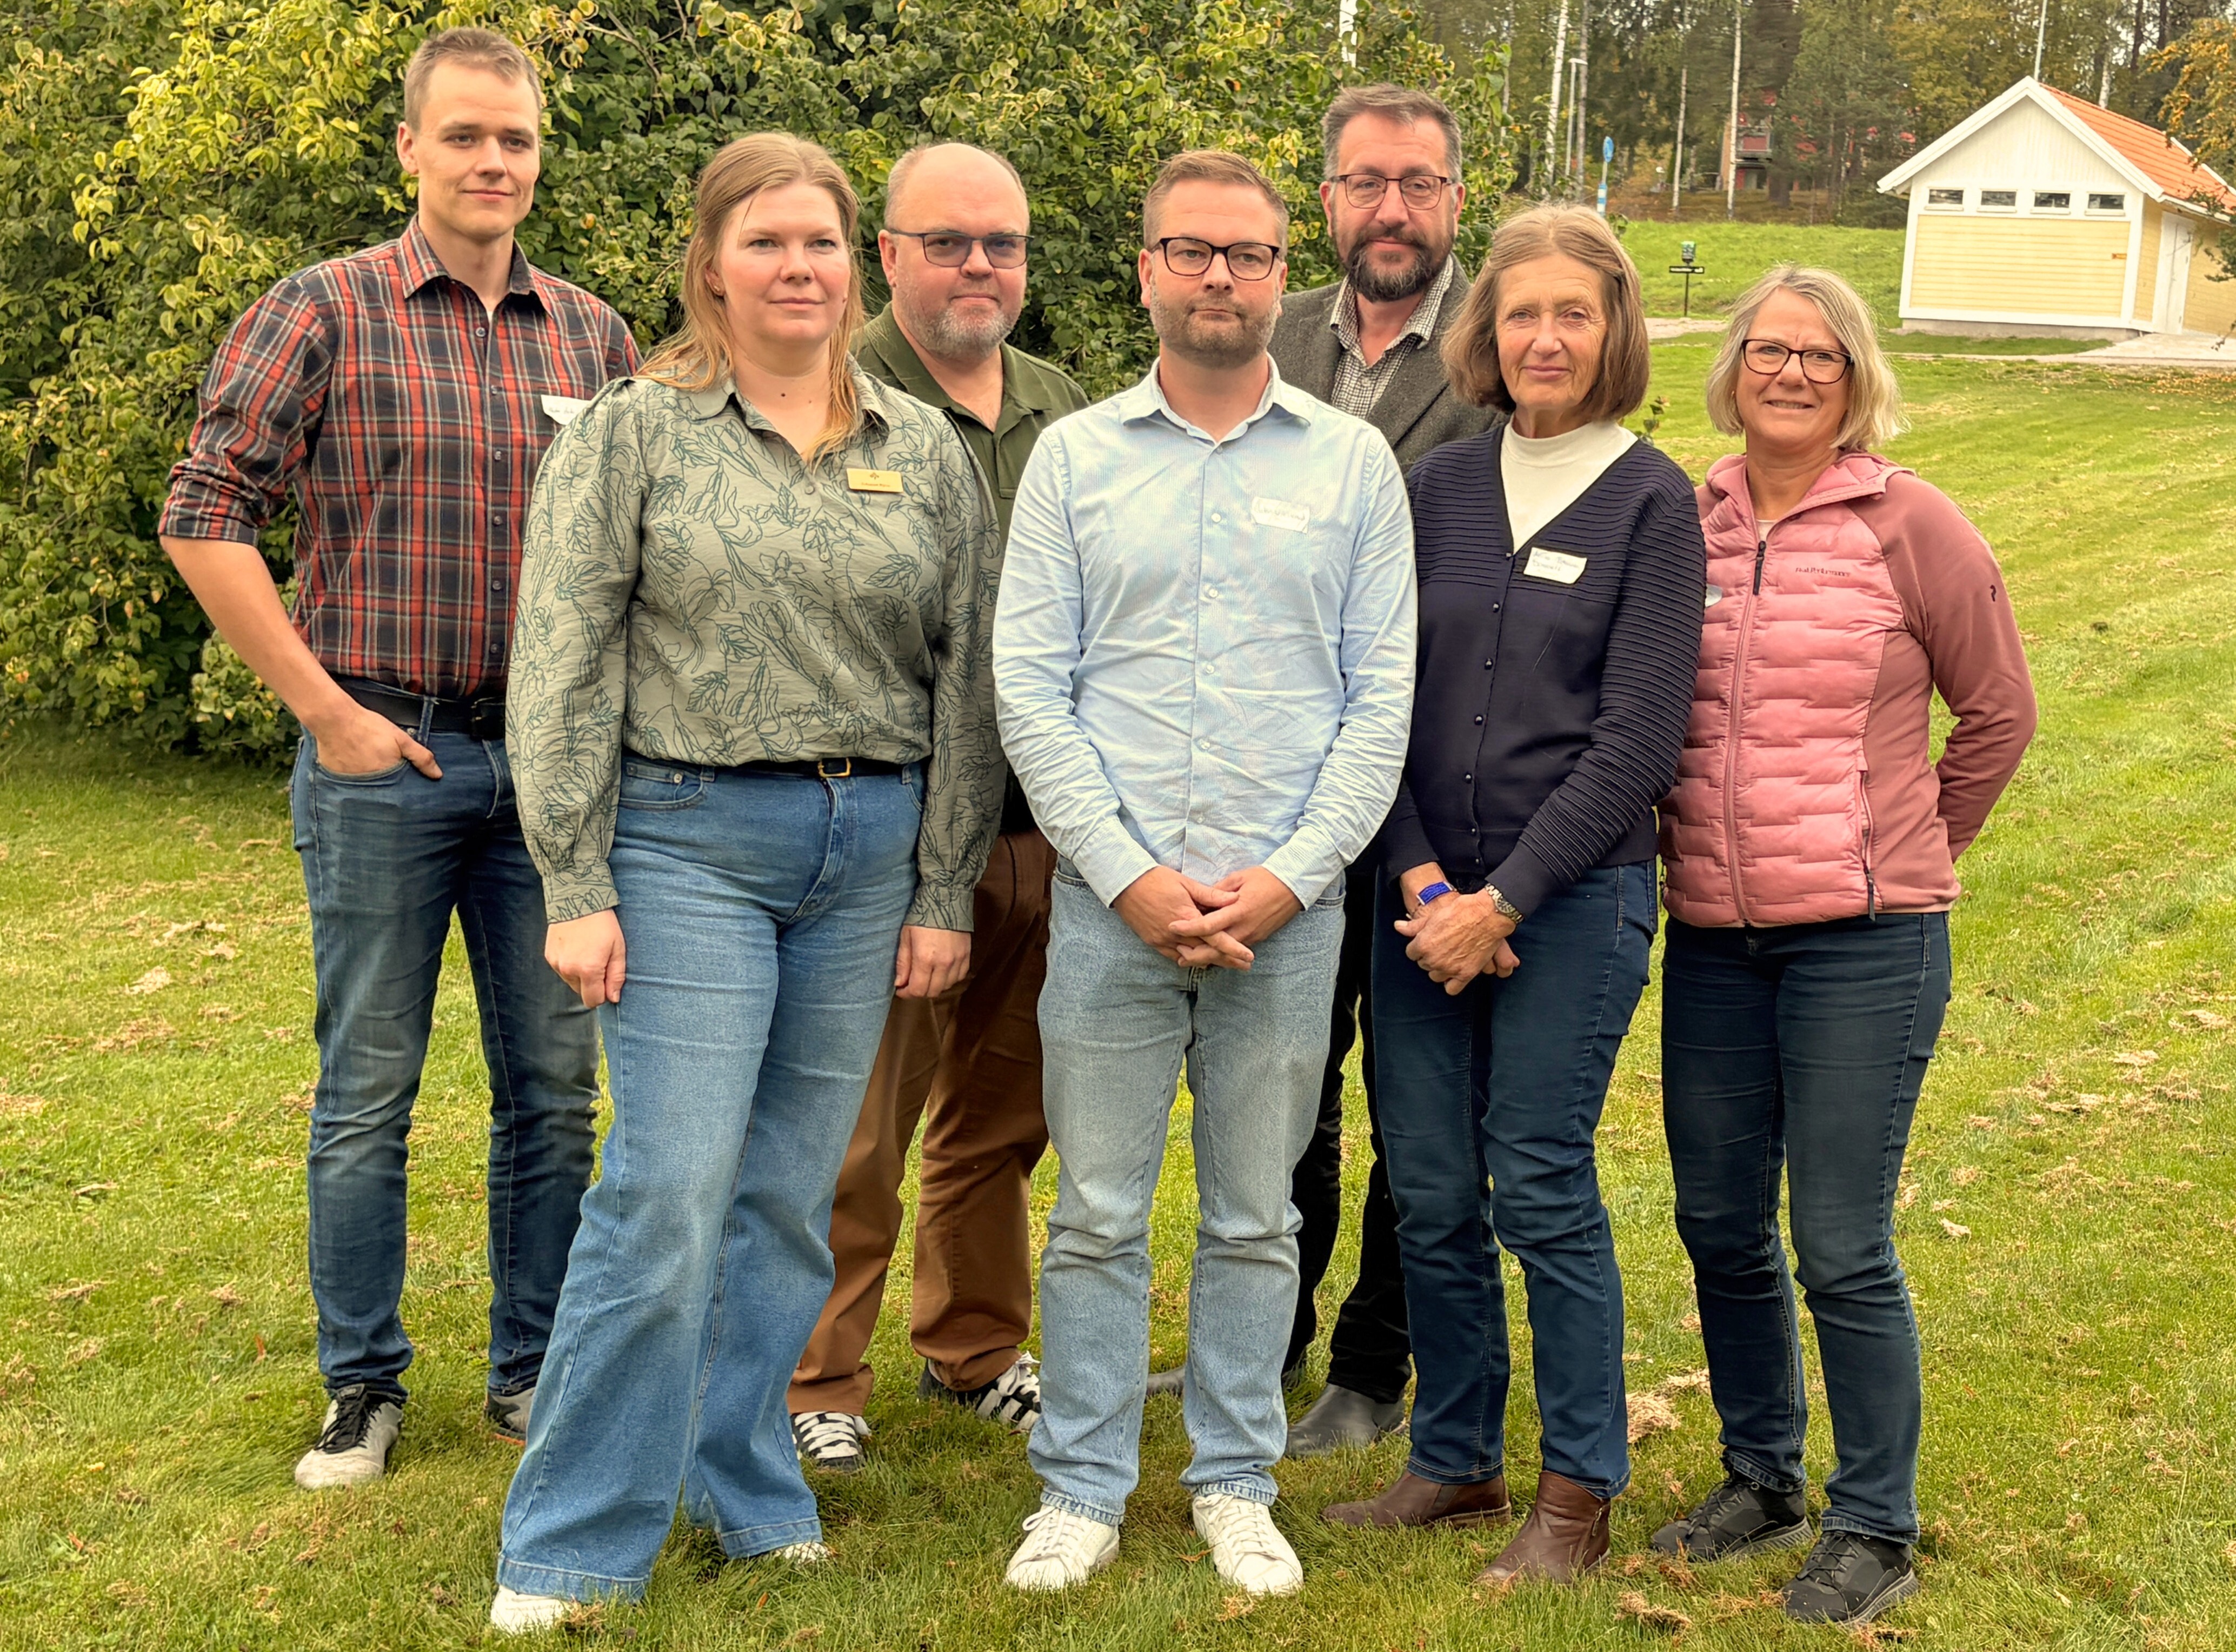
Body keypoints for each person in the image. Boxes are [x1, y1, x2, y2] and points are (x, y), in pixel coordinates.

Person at [488, 134, 1001, 1630]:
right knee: (665, 1191)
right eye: (765, 241)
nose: (797, 268)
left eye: (821, 242)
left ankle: (746, 1482)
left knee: (788, 1196)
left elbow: (969, 679)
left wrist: (944, 887)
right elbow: (561, 656)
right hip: (684, 842)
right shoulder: (635, 433)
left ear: (857, 265)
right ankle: (573, 1538)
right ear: (710, 264)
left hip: (867, 852)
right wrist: (573, 875)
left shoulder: (923, 448)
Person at [156, 27, 637, 1490]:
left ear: (540, 157)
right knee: (369, 1089)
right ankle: (361, 1383)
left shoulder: (595, 339)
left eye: (518, 140)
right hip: (384, 751)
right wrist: (325, 713)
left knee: (552, 1089)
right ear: (412, 148)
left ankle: (533, 1368)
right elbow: (203, 514)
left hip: (548, 771)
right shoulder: (322, 310)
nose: (495, 162)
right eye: (467, 136)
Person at [993, 150, 1416, 1597]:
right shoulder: (1076, 459)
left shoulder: (1352, 467)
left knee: (1257, 1217)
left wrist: (1292, 878)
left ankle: (1237, 1479)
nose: (1219, 277)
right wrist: (1126, 875)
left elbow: (1379, 700)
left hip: (1285, 918)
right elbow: (1031, 686)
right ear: (1147, 271)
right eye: (1191, 251)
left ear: (1284, 273)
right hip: (1111, 912)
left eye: (1246, 254)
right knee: (1097, 1216)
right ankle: (1082, 1488)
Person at [1322, 204, 1705, 1586]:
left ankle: (1577, 1490)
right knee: (1428, 1187)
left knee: (1537, 1182)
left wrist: (1505, 900)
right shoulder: (1433, 489)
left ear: (1614, 334)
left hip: (1574, 901)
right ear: (1488, 330)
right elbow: (1377, 697)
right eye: (1523, 313)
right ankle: (1456, 1458)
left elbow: (1639, 738)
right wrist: (1427, 877)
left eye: (1574, 315)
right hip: (1419, 897)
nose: (1546, 338)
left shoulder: (1653, 501)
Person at [1651, 267, 2034, 1626]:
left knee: (1838, 1240)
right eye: (1770, 349)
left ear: (1855, 377)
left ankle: (1876, 1521)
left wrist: (1911, 844)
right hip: (1711, 937)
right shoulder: (1684, 521)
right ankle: (1761, 1476)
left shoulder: (1910, 523)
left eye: (1821, 355)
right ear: (1734, 367)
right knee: (1716, 1221)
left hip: (1865, 943)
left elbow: (1998, 712)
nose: (1792, 373)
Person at [786, 142, 1090, 1474]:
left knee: (1003, 1114)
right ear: (888, 252)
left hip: (1046, 825)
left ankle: (971, 1347)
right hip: (894, 830)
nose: (979, 265)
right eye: (948, 241)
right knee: (859, 1126)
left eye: (1001, 243)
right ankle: (816, 1376)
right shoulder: (828, 393)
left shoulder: (1065, 408)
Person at [1250, 82, 1503, 1459]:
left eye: (1416, 183)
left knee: (1416, 1102)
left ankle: (1373, 1363)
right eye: (1365, 182)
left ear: (1455, 199)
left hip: (1435, 789)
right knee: (1286, 1086)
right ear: (1329, 199)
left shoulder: (1501, 346)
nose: (1390, 208)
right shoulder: (1273, 331)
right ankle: (1264, 1336)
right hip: (1279, 781)